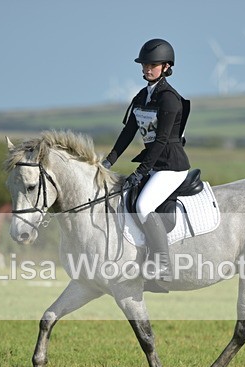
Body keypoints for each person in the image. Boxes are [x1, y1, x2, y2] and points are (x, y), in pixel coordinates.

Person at [102, 38, 191, 280]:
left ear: (166, 67)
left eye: (152, 65)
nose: (146, 68)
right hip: (154, 164)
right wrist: (108, 161)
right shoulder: (142, 95)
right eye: (144, 64)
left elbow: (161, 141)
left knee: (143, 205)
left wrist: (140, 171)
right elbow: (128, 132)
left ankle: (163, 264)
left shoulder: (170, 99)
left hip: (171, 166)